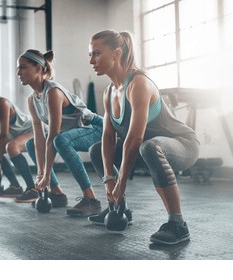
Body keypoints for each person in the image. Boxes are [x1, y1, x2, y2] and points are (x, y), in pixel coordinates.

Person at [87, 30, 199, 245]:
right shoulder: (109, 91)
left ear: (117, 53)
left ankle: (177, 224)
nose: (92, 60)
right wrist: (109, 179)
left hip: (183, 145)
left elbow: (134, 138)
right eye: (90, 55)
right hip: (146, 147)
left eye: (97, 53)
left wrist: (121, 183)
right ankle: (119, 208)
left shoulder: (138, 84)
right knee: (96, 149)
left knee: (149, 146)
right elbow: (109, 137)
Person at [18, 49, 104, 216]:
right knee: (31, 143)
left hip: (96, 128)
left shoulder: (53, 92)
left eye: (22, 67)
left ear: (38, 69)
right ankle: (57, 193)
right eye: (17, 68)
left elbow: (53, 135)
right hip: (73, 132)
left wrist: (46, 175)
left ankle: (91, 199)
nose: (18, 72)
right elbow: (39, 137)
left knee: (60, 140)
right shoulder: (32, 99)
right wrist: (41, 174)